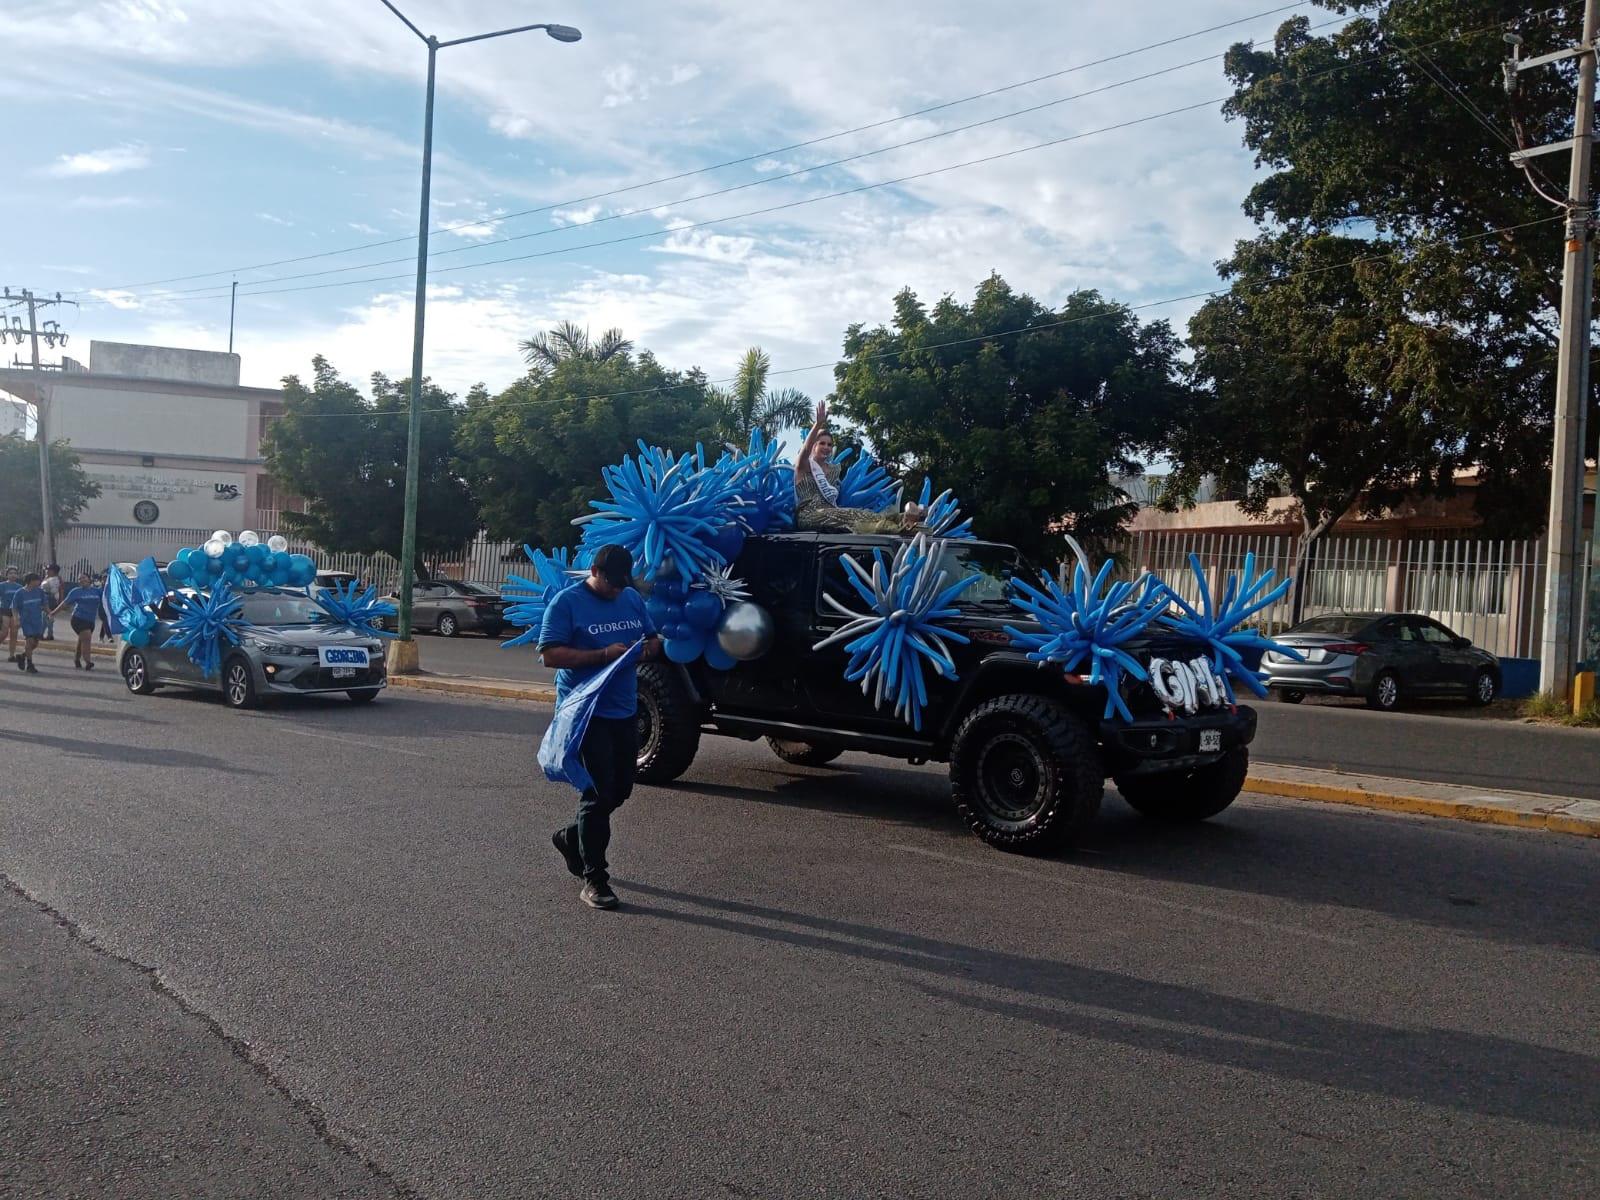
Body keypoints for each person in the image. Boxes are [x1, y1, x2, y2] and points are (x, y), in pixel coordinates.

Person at [537, 543, 661, 910]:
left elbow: (652, 640)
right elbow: (550, 655)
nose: (616, 590)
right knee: (598, 792)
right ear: (594, 571)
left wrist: (645, 650)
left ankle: (570, 838)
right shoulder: (567, 603)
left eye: (622, 584)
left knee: (620, 790)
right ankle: (595, 878)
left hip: (623, 709)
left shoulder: (630, 599)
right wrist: (603, 655)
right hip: (585, 713)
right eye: (610, 583)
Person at [794, 399, 923, 534]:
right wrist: (818, 424)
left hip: (831, 513)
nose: (826, 447)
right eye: (822, 443)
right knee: (844, 515)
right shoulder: (804, 465)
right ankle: (896, 528)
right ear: (814, 445)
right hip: (809, 515)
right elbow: (804, 450)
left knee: (858, 513)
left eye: (829, 444)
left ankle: (904, 519)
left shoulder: (833, 470)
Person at [54, 572, 103, 670]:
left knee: (82, 640)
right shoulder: (76, 591)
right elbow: (64, 603)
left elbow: (107, 600)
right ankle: (88, 662)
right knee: (87, 638)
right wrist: (53, 612)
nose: (82, 580)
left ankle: (76, 659)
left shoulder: (97, 591)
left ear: (89, 579)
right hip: (78, 619)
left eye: (84, 577)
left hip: (91, 620)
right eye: (79, 579)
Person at [12, 572, 48, 674]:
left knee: (35, 643)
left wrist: (50, 614)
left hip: (37, 620)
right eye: (37, 580)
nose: (39, 582)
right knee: (30, 641)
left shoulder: (40, 592)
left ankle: (22, 656)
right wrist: (16, 619)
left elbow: (45, 605)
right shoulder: (20, 593)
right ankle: (30, 664)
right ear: (31, 581)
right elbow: (14, 608)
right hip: (26, 621)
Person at [0, 566, 20, 664]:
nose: (13, 575)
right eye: (10, 573)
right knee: (4, 633)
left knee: (14, 633)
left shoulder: (19, 587)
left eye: (15, 573)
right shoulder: (2, 585)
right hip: (4, 610)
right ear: (6, 575)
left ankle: (12, 655)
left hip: (15, 612)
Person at [39, 564, 63, 642]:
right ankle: (47, 634)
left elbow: (60, 591)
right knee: (46, 617)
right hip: (45, 598)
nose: (47, 571)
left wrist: (60, 602)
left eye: (49, 570)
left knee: (46, 617)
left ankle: (45, 634)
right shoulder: (47, 578)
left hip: (51, 599)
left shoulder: (57, 579)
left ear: (54, 571)